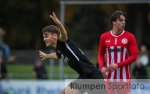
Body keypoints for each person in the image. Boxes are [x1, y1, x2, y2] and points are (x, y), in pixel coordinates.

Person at [39, 12, 102, 94]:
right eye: (44, 37)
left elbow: (64, 34)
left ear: (55, 35)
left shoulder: (62, 42)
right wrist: (47, 56)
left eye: (46, 36)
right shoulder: (59, 49)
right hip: (84, 76)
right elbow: (58, 55)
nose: (44, 39)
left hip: (92, 75)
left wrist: (58, 24)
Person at [98, 11, 139, 94]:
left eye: (124, 20)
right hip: (109, 78)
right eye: (120, 20)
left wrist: (118, 65)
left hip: (124, 78)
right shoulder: (104, 36)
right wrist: (102, 67)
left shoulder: (130, 36)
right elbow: (101, 54)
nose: (123, 22)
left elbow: (134, 56)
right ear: (114, 22)